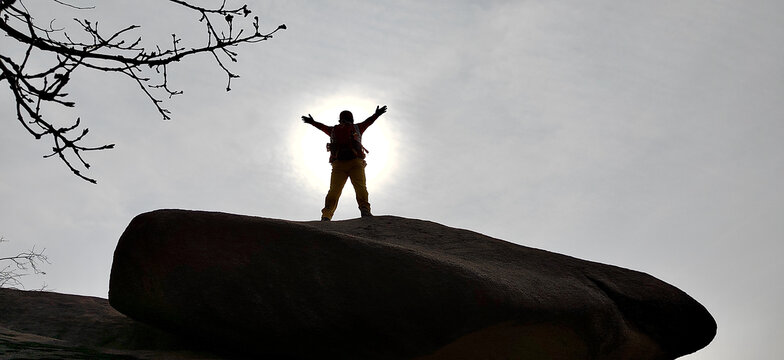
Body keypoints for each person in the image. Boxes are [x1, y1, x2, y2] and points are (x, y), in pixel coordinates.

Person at [301, 105, 388, 221]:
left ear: (339, 119)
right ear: (352, 119)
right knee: (360, 188)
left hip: (339, 165)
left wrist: (311, 122)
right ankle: (365, 211)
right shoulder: (357, 127)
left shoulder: (333, 130)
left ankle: (326, 215)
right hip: (356, 163)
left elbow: (321, 127)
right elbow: (369, 122)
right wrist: (377, 114)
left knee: (334, 191)